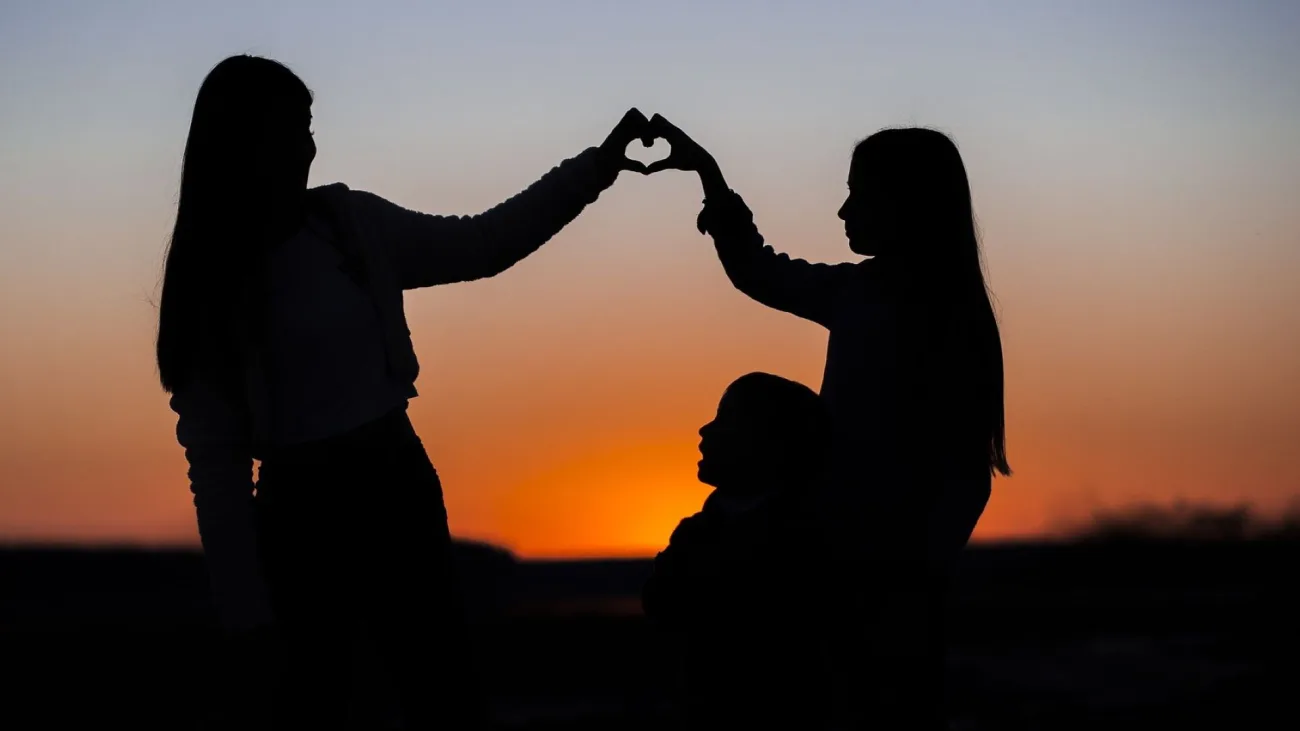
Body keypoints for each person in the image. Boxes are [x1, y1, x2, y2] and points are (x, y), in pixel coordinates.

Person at [156, 54, 654, 730]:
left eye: (310, 127)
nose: (309, 147)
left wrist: (596, 168)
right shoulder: (211, 287)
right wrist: (246, 615)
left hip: (399, 488)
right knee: (314, 710)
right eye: (292, 130)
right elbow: (216, 470)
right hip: (303, 523)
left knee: (443, 700)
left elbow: (482, 243)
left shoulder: (350, 224)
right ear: (245, 145)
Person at [644, 115, 1012, 729]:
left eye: (859, 195)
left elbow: (963, 474)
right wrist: (710, 178)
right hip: (832, 562)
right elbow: (759, 271)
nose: (843, 211)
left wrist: (914, 577)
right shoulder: (860, 292)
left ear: (907, 204)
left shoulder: (946, 319)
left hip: (883, 585)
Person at [643, 372, 833, 730]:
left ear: (770, 443)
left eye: (726, 419)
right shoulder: (694, 533)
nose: (705, 430)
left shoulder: (800, 537)